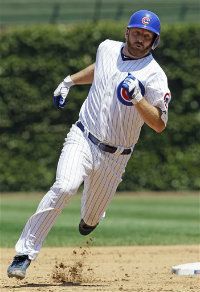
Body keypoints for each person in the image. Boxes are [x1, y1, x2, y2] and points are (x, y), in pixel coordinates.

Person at [7, 9, 171, 280]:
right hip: (83, 136)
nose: (140, 38)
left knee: (91, 218)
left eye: (146, 35)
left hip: (116, 155)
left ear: (154, 41)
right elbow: (102, 70)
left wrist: (139, 99)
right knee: (64, 186)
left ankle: (91, 218)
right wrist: (69, 81)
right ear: (126, 32)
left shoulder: (155, 76)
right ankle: (24, 254)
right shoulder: (106, 48)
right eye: (136, 32)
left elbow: (159, 124)